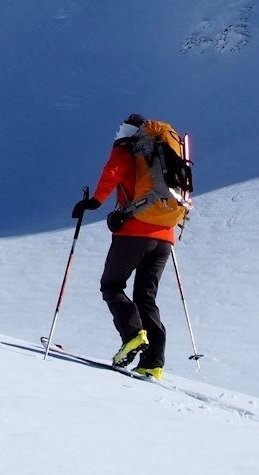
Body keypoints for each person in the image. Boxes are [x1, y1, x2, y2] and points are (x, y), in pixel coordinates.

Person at [70, 113, 185, 380]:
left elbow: (112, 172)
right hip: (166, 235)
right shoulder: (164, 153)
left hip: (134, 231)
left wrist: (94, 202)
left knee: (112, 285)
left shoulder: (128, 150)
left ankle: (133, 335)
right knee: (147, 298)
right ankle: (153, 363)